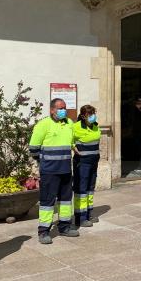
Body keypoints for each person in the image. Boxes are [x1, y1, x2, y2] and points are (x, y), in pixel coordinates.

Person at [29, 99, 79, 244]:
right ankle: (44, 231)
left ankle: (65, 227)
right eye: (60, 108)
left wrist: (74, 146)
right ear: (52, 110)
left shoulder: (69, 123)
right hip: (50, 171)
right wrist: (44, 161)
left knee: (65, 201)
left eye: (64, 108)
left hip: (65, 170)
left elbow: (70, 142)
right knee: (47, 201)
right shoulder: (43, 124)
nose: (63, 110)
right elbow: (33, 147)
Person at [72, 104, 101, 227]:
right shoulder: (76, 127)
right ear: (83, 116)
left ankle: (89, 213)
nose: (93, 116)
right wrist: (73, 147)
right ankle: (81, 217)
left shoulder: (96, 126)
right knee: (81, 189)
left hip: (94, 162)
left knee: (90, 188)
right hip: (82, 163)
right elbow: (69, 140)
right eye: (90, 114)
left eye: (93, 113)